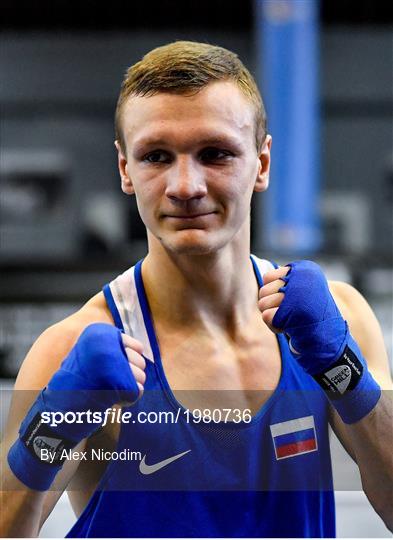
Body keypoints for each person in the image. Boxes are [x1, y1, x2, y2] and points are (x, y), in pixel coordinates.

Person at [1, 41, 392, 538]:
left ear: (262, 163)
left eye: (216, 154)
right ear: (126, 170)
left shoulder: (339, 319)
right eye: (157, 156)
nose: (185, 186)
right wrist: (49, 429)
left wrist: (343, 368)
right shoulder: (71, 347)